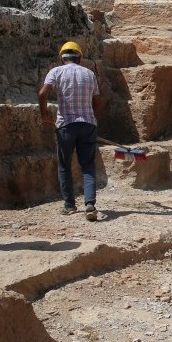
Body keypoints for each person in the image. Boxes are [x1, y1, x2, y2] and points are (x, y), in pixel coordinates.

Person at [39, 41, 102, 221]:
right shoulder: (89, 74)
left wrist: (44, 116)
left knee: (65, 165)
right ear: (79, 57)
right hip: (88, 125)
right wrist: (92, 118)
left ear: (62, 57)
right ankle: (90, 203)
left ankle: (69, 205)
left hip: (66, 125)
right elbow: (98, 100)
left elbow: (43, 93)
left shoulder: (56, 72)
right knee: (88, 165)